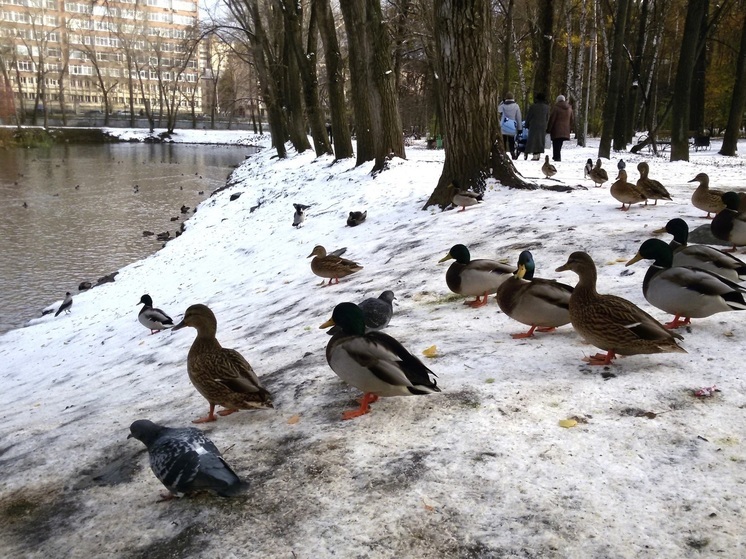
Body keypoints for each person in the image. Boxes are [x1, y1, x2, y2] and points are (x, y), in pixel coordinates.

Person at [547, 94, 574, 162]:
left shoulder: (556, 108)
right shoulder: (569, 108)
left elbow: (552, 119)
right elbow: (572, 119)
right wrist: (569, 128)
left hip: (556, 129)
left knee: (556, 143)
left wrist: (549, 129)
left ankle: (557, 157)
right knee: (560, 143)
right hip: (565, 130)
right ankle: (556, 156)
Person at [524, 92, 550, 160]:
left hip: (534, 125)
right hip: (543, 126)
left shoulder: (533, 107)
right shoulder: (547, 107)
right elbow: (547, 117)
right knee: (540, 140)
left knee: (534, 140)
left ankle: (535, 154)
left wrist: (526, 124)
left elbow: (529, 116)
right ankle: (538, 154)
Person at [498, 92, 522, 160]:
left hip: (504, 125)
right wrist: (520, 128)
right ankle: (512, 153)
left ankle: (503, 153)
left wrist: (502, 102)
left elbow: (498, 110)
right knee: (511, 141)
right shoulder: (516, 106)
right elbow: (518, 117)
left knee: (503, 140)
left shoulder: (503, 105)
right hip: (512, 126)